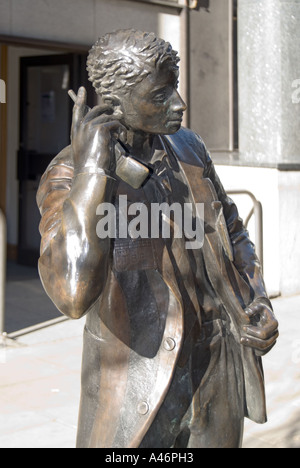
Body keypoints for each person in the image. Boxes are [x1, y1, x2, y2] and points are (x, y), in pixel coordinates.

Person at [37, 29, 278, 448]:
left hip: (216, 371)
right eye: (160, 95)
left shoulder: (189, 147)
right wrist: (94, 170)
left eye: (176, 88)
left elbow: (233, 229)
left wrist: (254, 297)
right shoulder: (69, 174)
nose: (180, 104)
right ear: (113, 105)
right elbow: (72, 294)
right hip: (137, 383)